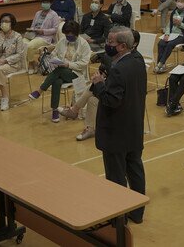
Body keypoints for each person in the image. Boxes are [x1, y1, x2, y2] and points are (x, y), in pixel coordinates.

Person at [92, 26, 147, 224]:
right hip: (133, 127)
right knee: (135, 170)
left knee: (116, 177)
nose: (108, 45)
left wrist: (99, 83)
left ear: (122, 46)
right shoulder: (138, 60)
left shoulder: (118, 70)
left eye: (111, 42)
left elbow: (111, 101)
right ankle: (137, 213)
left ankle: (118, 219)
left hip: (116, 132)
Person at [59, 30, 142, 141]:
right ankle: (90, 128)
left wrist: (101, 82)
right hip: (110, 87)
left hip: (125, 98)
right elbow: (105, 68)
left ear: (132, 43)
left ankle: (74, 110)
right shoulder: (115, 55)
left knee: (93, 89)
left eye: (113, 42)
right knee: (92, 99)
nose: (109, 45)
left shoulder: (136, 59)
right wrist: (101, 76)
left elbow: (124, 83)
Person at [28, 21, 91, 123]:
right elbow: (53, 54)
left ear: (76, 33)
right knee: (57, 81)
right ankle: (55, 110)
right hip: (61, 70)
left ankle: (39, 91)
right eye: (66, 35)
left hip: (76, 73)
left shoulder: (84, 44)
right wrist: (56, 61)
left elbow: (84, 63)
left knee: (59, 70)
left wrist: (68, 64)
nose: (68, 37)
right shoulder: (62, 41)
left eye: (70, 35)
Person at [154, 0, 184, 73]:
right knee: (161, 43)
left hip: (182, 35)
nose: (180, 3)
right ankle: (161, 65)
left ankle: (160, 64)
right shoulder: (174, 12)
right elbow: (169, 24)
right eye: (178, 1)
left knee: (170, 44)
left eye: (182, 1)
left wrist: (180, 24)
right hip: (172, 34)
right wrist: (167, 34)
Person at [23, 0, 60, 74]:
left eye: (46, 2)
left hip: (45, 38)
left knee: (30, 46)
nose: (44, 4)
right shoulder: (38, 13)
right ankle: (33, 62)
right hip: (34, 35)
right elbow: (33, 25)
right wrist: (31, 29)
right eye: (43, 2)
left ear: (50, 3)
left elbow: (55, 29)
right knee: (22, 43)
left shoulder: (54, 15)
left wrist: (43, 31)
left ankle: (31, 64)